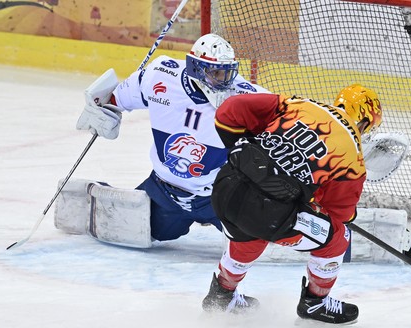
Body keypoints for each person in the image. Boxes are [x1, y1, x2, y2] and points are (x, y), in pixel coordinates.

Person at [59, 34, 268, 246]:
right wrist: (102, 110)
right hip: (164, 193)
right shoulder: (161, 75)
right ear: (196, 68)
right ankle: (100, 193)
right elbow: (113, 99)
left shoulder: (246, 99)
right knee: (141, 231)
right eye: (215, 73)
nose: (223, 81)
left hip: (222, 196)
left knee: (260, 242)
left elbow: (285, 124)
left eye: (227, 73)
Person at [201, 84, 382, 324]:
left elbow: (229, 110)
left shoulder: (298, 104)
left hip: (225, 187)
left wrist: (251, 158)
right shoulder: (354, 158)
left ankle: (222, 295)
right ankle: (315, 303)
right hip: (267, 214)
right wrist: (311, 200)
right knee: (338, 238)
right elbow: (339, 214)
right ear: (365, 122)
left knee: (249, 231)